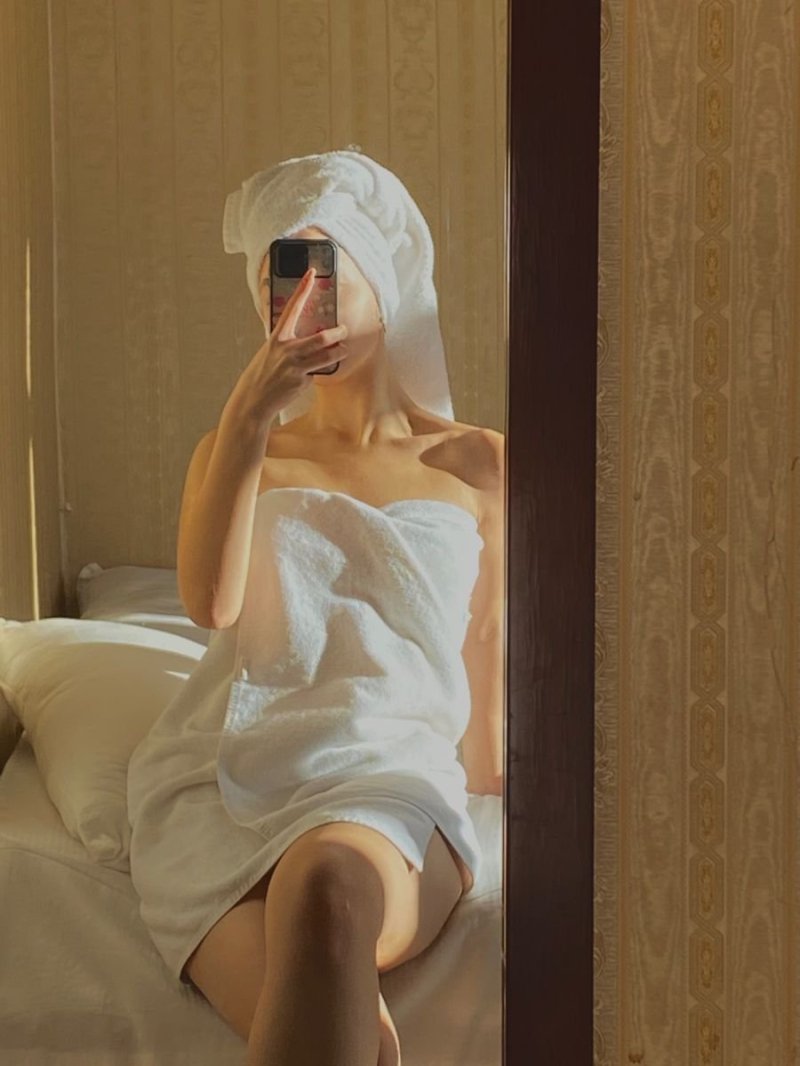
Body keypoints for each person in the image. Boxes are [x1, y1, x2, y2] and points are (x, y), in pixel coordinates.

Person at [128, 152, 504, 1066]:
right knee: (347, 1035)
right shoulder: (239, 447)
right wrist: (248, 420)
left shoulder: (479, 462)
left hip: (382, 773)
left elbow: (489, 665)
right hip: (221, 783)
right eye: (279, 280)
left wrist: (490, 789)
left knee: (327, 890)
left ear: (384, 278)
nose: (301, 301)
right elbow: (209, 605)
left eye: (323, 270)